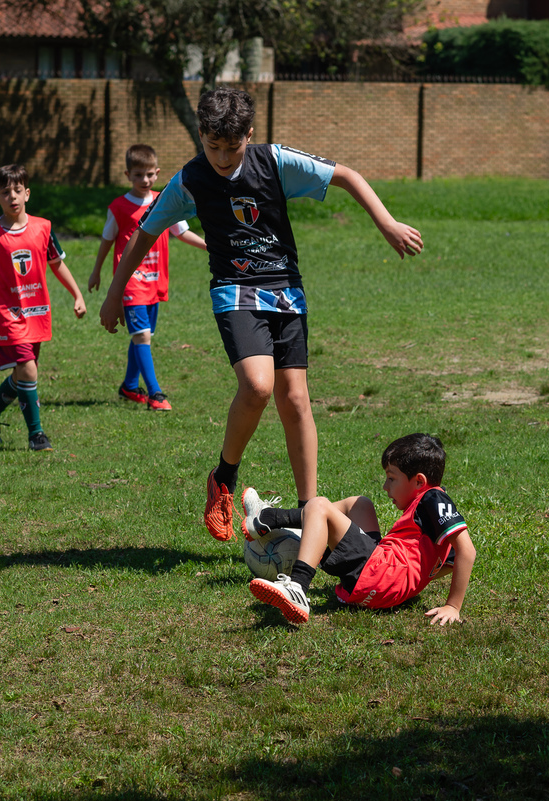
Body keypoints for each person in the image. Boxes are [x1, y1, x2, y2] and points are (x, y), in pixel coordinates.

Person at [99, 87, 424, 541]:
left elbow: (345, 175)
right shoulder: (190, 180)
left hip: (285, 290)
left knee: (295, 399)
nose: (224, 158)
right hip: (234, 291)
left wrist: (386, 222)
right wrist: (115, 294)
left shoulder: (273, 161)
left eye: (233, 148)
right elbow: (145, 232)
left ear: (249, 136)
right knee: (257, 386)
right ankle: (224, 479)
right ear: (200, 136)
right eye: (213, 147)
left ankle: (311, 512)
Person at [243, 433, 475, 626]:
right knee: (360, 504)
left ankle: (297, 587)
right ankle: (277, 524)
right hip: (385, 580)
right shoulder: (434, 509)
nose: (385, 487)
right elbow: (449, 562)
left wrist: (453, 606)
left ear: (419, 482)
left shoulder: (433, 498)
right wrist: (410, 584)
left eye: (391, 479)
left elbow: (467, 551)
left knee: (319, 505)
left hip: (381, 574)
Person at [0, 164, 86, 450]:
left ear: (27, 193)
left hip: (37, 311)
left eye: (18, 190)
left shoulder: (44, 228)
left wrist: (77, 295)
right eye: (5, 192)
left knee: (22, 375)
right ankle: (36, 435)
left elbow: (57, 264)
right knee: (29, 371)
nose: (12, 197)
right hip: (6, 313)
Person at [88, 144, 207, 411]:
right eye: (139, 175)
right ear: (127, 174)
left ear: (158, 173)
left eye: (150, 174)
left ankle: (130, 387)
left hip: (155, 280)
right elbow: (107, 240)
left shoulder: (164, 200)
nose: (145, 180)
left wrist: (208, 245)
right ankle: (156, 394)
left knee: (144, 334)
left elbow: (180, 231)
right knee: (142, 335)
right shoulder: (118, 207)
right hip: (131, 281)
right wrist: (96, 271)